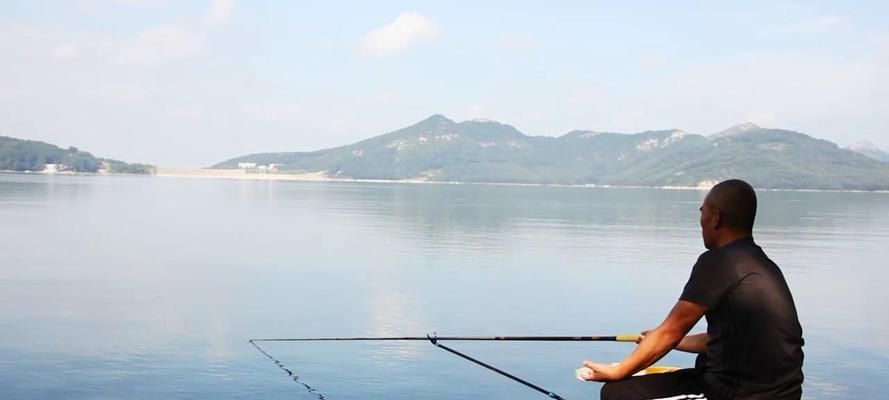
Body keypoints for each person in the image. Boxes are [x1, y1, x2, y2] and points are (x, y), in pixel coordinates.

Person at [581, 179, 804, 399]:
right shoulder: (762, 265)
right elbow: (719, 339)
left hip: (737, 393)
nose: (701, 220)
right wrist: (662, 340)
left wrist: (617, 370)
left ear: (715, 217)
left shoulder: (719, 262)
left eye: (702, 211)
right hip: (783, 392)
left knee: (616, 393)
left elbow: (670, 332)